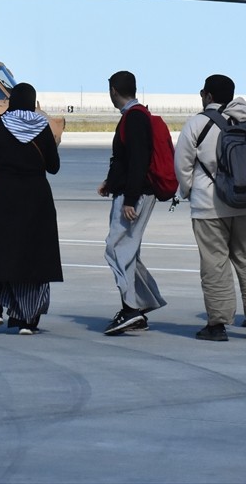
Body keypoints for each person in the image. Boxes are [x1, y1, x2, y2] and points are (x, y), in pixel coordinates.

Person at [174, 74, 246, 341]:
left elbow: (182, 165)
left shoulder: (197, 123)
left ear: (207, 95)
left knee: (215, 264)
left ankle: (218, 325)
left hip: (209, 207)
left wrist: (188, 191)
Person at [0, 82, 62, 335]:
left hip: (3, 194)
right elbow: (53, 167)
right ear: (33, 102)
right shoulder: (42, 128)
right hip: (36, 197)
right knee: (33, 255)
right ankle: (27, 319)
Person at [97, 71, 167, 335]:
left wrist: (129, 198)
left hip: (135, 196)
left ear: (114, 90)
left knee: (116, 249)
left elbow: (138, 160)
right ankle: (141, 303)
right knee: (127, 251)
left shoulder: (134, 118)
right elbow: (127, 161)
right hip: (133, 192)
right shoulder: (136, 116)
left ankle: (131, 309)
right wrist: (111, 183)